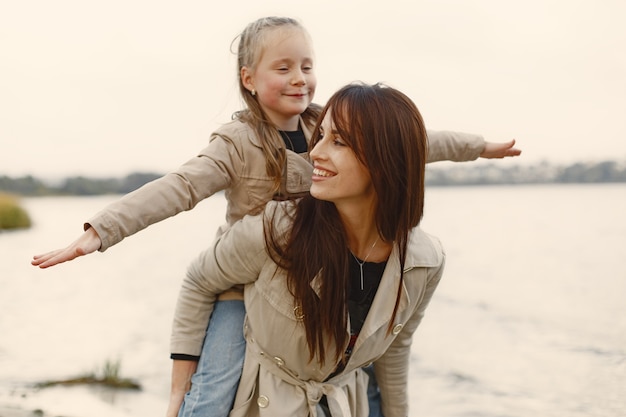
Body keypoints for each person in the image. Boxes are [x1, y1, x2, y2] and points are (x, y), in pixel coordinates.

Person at [30, 16, 520, 417]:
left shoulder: (321, 124)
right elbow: (180, 187)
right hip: (241, 283)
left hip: (317, 262)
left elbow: (414, 142)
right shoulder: (237, 143)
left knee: (362, 362)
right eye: (282, 68)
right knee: (216, 385)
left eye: (306, 65)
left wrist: (479, 147)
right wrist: (100, 231)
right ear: (249, 79)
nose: (299, 78)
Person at [173, 81, 442, 417]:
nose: (315, 152)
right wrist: (180, 396)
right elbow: (200, 279)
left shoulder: (423, 262)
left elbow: (395, 349)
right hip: (261, 402)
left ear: (385, 161)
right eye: (322, 136)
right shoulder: (277, 230)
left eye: (339, 141)